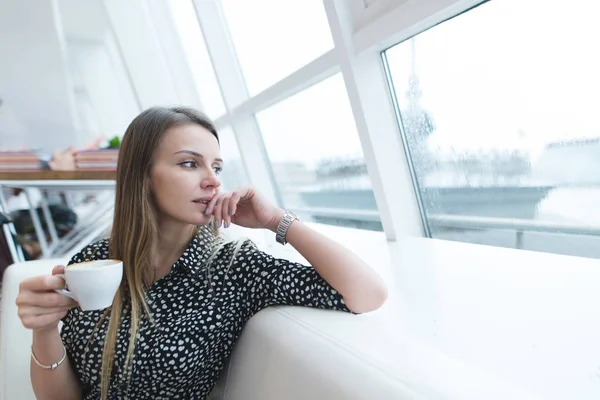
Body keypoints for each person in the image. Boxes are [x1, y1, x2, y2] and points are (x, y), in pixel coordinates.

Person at [15, 106, 387, 400]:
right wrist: (44, 328)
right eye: (190, 163)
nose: (212, 179)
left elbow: (367, 294)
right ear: (143, 175)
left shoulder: (233, 268)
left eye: (217, 166)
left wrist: (276, 219)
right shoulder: (94, 262)